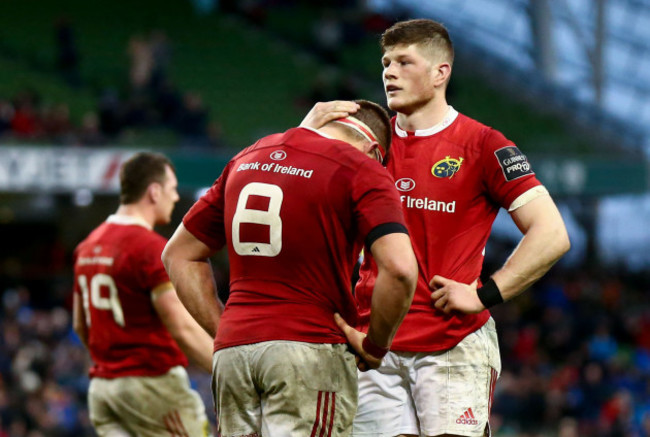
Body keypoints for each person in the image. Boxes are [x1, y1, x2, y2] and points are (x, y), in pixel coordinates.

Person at [301, 19, 571, 437]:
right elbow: (294, 203)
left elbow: (551, 234)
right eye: (386, 62)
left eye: (404, 62)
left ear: (440, 72)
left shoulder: (484, 145)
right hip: (373, 346)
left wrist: (486, 294)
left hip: (452, 346)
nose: (389, 72)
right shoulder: (369, 147)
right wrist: (305, 133)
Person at [161, 100, 418, 437]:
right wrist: (376, 347)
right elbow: (400, 270)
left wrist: (224, 329)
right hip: (308, 347)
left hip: (233, 353)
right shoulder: (362, 167)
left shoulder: (248, 157)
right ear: (373, 149)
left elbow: (177, 254)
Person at [72, 152, 214, 437]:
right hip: (151, 388)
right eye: (172, 189)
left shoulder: (87, 247)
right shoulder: (149, 249)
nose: (175, 198)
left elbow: (80, 324)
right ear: (154, 191)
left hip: (103, 391)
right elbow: (182, 328)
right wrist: (230, 371)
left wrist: (112, 364)